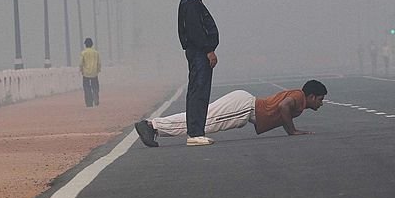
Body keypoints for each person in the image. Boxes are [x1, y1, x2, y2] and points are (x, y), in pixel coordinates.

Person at [134, 80, 328, 147]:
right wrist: (292, 131)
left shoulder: (299, 96)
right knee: (203, 123)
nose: (321, 103)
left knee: (203, 120)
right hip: (244, 108)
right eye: (320, 99)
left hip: (244, 106)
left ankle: (154, 128)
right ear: (311, 96)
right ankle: (151, 125)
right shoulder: (298, 97)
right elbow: (284, 106)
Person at [179, 0, 220, 146]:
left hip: (198, 52)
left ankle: (197, 131)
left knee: (199, 90)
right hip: (199, 53)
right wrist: (208, 50)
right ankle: (195, 133)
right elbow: (196, 32)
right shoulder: (191, 4)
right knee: (199, 91)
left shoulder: (190, 2)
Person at [79, 38, 101, 107]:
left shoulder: (83, 53)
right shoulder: (96, 53)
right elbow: (99, 63)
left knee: (87, 88)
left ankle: (89, 102)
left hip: (86, 74)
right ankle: (96, 98)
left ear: (85, 45)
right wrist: (98, 70)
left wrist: (82, 70)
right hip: (94, 73)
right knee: (95, 87)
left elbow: (81, 63)